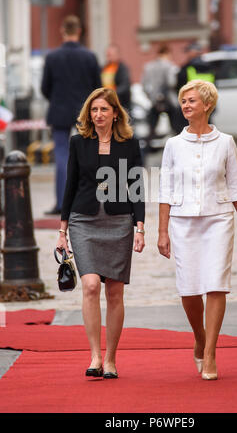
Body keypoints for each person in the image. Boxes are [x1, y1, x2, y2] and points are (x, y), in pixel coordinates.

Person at [158, 79, 237, 380]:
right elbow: (165, 189)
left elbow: (236, 185)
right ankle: (199, 337)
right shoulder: (173, 144)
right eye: (183, 101)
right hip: (183, 221)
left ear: (207, 105)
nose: (186, 105)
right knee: (188, 289)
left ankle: (210, 352)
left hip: (219, 219)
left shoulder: (226, 142)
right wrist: (162, 231)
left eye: (192, 100)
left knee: (215, 284)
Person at [56, 87, 145, 379]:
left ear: (115, 113)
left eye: (104, 110)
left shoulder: (129, 143)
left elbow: (136, 187)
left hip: (119, 222)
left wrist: (140, 225)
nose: (98, 115)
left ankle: (110, 359)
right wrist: (62, 230)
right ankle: (94, 355)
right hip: (84, 220)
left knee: (115, 291)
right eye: (94, 110)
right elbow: (69, 186)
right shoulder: (78, 142)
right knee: (91, 285)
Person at [41, 15, 101, 215]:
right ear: (80, 31)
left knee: (61, 156)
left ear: (62, 31)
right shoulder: (89, 57)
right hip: (84, 112)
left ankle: (61, 203)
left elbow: (45, 88)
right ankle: (87, 201)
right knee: (87, 155)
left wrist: (57, 100)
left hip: (59, 111)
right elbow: (97, 88)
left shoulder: (52, 57)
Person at [142, 45, 180, 141]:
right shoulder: (170, 65)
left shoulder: (149, 66)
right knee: (176, 128)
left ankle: (147, 148)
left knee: (152, 128)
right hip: (169, 100)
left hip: (154, 101)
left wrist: (151, 97)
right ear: (167, 53)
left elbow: (144, 84)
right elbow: (172, 82)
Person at [101, 44, 131, 112]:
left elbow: (125, 85)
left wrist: (112, 94)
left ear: (117, 54)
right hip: (105, 100)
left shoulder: (122, 68)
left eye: (110, 54)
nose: (108, 56)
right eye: (107, 54)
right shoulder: (104, 68)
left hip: (119, 102)